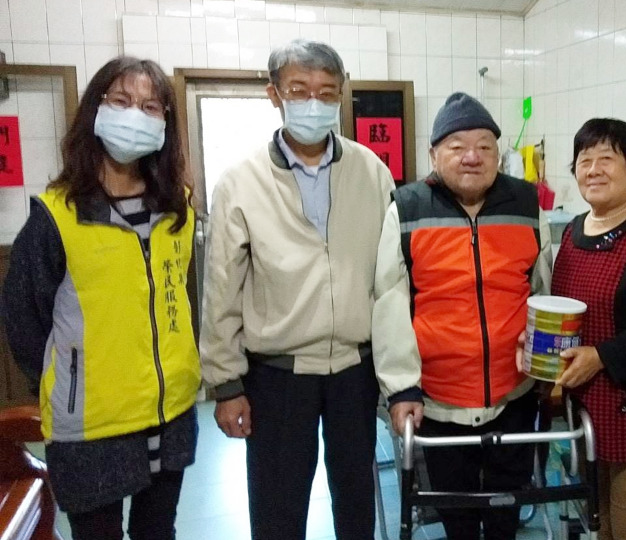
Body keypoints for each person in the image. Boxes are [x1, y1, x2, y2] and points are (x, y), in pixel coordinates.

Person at [199, 39, 394, 540]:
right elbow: (221, 290)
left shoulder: (371, 172)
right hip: (277, 374)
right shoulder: (241, 182)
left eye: (327, 93)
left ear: (341, 95)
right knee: (278, 508)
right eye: (299, 90)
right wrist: (226, 385)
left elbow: (391, 281)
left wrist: (396, 375)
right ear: (274, 94)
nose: (314, 103)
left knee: (357, 502)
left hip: (355, 369)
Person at [1, 57, 199, 540]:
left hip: (171, 411)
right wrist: (67, 378)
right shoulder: (57, 215)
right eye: (122, 101)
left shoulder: (177, 207)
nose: (135, 115)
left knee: (159, 532)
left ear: (165, 124)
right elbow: (23, 319)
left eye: (150, 107)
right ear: (96, 109)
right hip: (91, 427)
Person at [373, 92, 553, 540]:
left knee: (506, 512)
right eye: (457, 147)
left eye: (485, 146)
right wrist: (401, 388)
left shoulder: (526, 205)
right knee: (456, 516)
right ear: (433, 154)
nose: (472, 157)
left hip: (514, 396)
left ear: (498, 154)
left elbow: (542, 291)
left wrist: (546, 369)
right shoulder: (407, 209)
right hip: (439, 402)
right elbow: (389, 304)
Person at [549, 118, 626, 540]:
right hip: (582, 405)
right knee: (597, 524)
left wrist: (602, 357)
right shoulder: (573, 232)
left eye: (606, 159)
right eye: (584, 160)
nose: (593, 170)